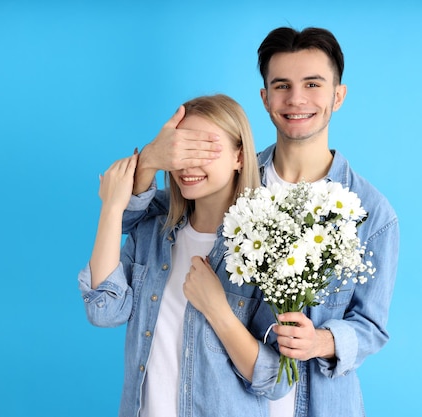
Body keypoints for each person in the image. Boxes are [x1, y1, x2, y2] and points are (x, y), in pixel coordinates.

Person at [121, 27, 399, 417]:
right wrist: (150, 159)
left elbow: (372, 327)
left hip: (319, 404)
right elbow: (141, 217)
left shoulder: (372, 213)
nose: (297, 99)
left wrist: (320, 341)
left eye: (313, 84)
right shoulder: (231, 174)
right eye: (282, 85)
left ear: (338, 95)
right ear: (266, 99)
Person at [78, 94, 287, 417]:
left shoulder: (268, 249)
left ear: (240, 157)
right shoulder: (152, 230)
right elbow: (105, 312)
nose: (188, 165)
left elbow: (276, 380)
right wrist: (112, 206)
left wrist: (218, 310)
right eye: (180, 150)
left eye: (204, 149)